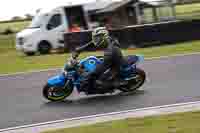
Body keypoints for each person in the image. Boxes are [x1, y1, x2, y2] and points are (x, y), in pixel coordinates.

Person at [71, 27, 126, 94]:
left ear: (103, 37)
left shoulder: (110, 50)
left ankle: (114, 85)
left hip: (115, 66)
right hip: (111, 58)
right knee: (93, 60)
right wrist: (78, 50)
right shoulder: (106, 40)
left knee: (99, 80)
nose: (95, 40)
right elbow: (91, 43)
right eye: (95, 38)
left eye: (97, 38)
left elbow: (101, 68)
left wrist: (88, 75)